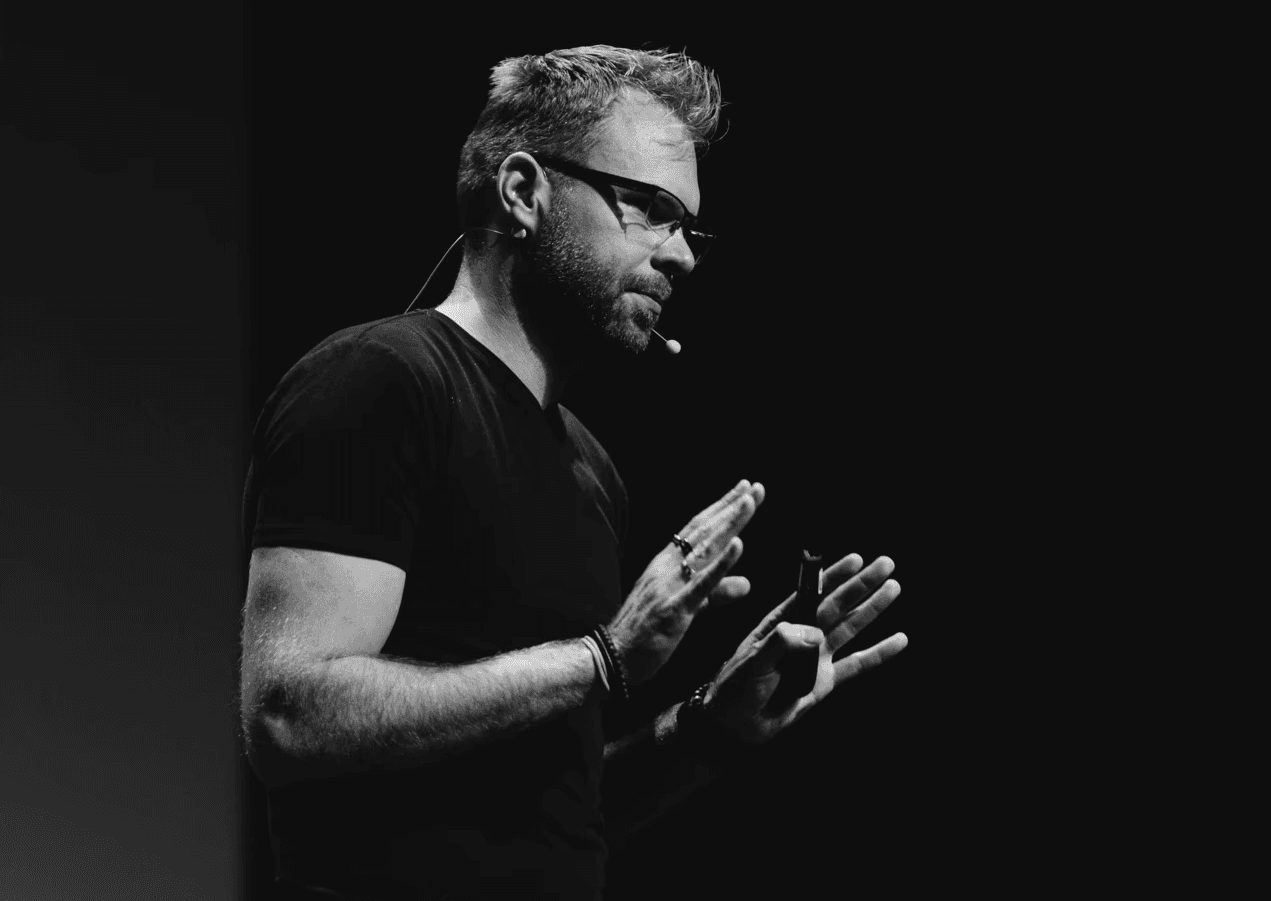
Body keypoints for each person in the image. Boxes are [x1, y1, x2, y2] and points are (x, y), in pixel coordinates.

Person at [236, 45, 909, 900]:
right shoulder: (378, 382)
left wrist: (707, 728)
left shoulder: (593, 469)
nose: (684, 256)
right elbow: (288, 714)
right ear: (523, 192)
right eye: (653, 210)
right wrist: (601, 657)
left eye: (690, 225)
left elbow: (554, 817)